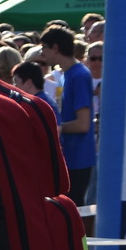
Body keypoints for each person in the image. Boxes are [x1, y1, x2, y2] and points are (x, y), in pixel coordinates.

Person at [37, 27, 94, 208]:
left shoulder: (78, 75)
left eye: (44, 47)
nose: (41, 52)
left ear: (55, 48)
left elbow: (83, 124)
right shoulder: (67, 75)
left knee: (74, 214)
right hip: (70, 156)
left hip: (78, 159)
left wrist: (53, 128)